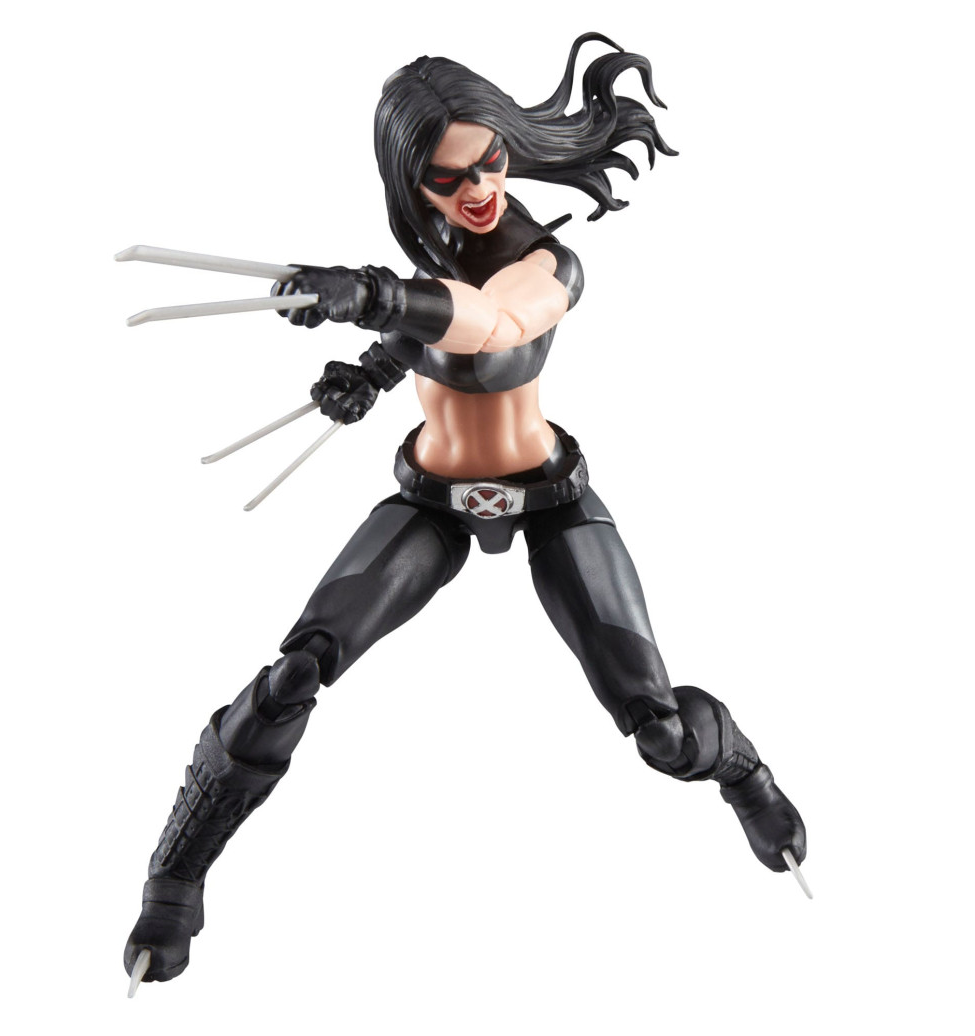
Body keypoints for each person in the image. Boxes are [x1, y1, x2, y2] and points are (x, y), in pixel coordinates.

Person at [124, 33, 807, 987]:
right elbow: (428, 329)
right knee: (292, 676)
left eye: (490, 160)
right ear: (411, 182)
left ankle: (741, 772)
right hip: (432, 499)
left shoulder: (550, 265)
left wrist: (372, 296)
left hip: (548, 495)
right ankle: (175, 879)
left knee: (658, 728)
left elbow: (492, 324)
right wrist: (368, 372)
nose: (480, 188)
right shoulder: (437, 246)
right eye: (449, 178)